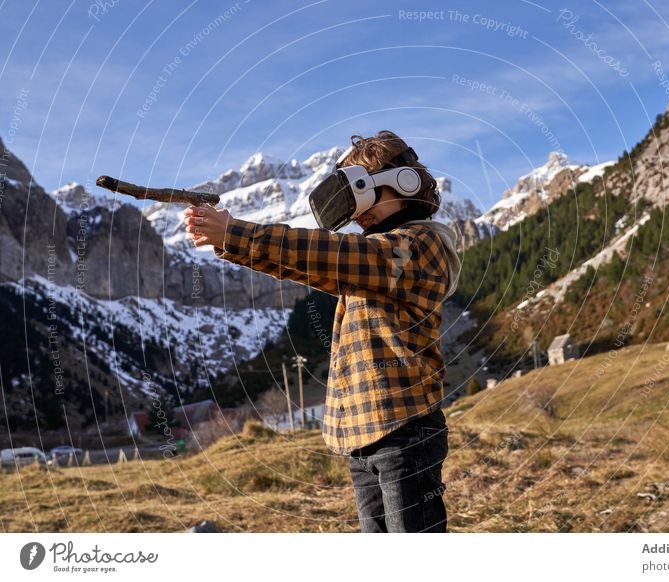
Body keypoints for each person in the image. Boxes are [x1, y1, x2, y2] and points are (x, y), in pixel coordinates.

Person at [183, 130, 461, 532]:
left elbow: (335, 253)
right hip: (365, 435)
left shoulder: (420, 246)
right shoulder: (374, 261)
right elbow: (309, 265)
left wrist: (236, 232)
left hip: (405, 431)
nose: (358, 216)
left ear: (404, 183)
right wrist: (232, 243)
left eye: (365, 198)